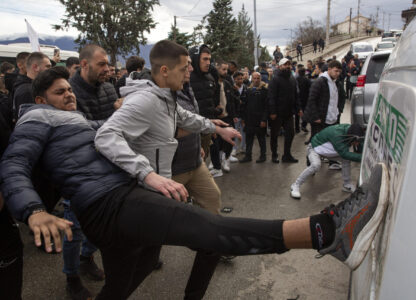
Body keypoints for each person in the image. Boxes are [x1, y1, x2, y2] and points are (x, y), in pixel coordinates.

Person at [1, 65, 390, 300]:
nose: (69, 95)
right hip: (110, 202)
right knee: (209, 227)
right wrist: (33, 210)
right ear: (40, 98)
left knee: (127, 281)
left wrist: (207, 127)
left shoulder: (82, 122)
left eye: (70, 89)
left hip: (121, 202)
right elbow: (15, 163)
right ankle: (328, 231)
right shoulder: (35, 120)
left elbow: (144, 130)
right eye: (60, 92)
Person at [171, 57, 223, 299]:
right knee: (162, 219)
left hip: (195, 162)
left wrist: (197, 146)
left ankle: (211, 244)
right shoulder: (164, 94)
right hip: (174, 169)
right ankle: (145, 254)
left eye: (192, 64)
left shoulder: (187, 87)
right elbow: (171, 129)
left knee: (212, 199)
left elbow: (192, 120)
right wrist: (211, 127)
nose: (190, 68)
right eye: (186, 65)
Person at [290, 124, 364, 199]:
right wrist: (363, 157)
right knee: (316, 165)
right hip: (315, 149)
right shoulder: (337, 134)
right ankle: (295, 185)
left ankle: (347, 185)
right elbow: (344, 154)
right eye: (356, 141)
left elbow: (360, 142)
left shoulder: (352, 131)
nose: (357, 144)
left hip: (329, 151)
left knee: (346, 160)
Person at [189, 44, 222, 174]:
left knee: (203, 161)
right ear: (195, 59)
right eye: (205, 59)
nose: (208, 63)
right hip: (192, 131)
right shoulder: (187, 79)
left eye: (209, 59)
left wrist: (212, 121)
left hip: (207, 129)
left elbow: (210, 101)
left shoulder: (209, 77)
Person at [70, 44, 120, 122]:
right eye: (101, 64)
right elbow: (79, 127)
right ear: (84, 64)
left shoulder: (109, 89)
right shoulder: (69, 92)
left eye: (107, 64)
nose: (107, 69)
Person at [268, 58, 302, 163]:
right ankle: (274, 155)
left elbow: (296, 95)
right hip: (277, 113)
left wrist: (298, 108)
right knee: (274, 135)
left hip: (288, 113)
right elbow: (271, 96)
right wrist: (272, 112)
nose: (287, 66)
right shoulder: (275, 79)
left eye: (289, 64)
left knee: (290, 134)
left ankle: (287, 155)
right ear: (280, 66)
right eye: (285, 64)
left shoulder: (292, 78)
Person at [210, 60, 239, 173]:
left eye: (227, 69)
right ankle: (214, 162)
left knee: (229, 140)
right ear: (217, 69)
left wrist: (234, 115)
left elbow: (231, 101)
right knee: (215, 143)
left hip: (227, 117)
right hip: (216, 118)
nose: (225, 71)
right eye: (223, 69)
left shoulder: (227, 84)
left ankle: (226, 160)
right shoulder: (212, 84)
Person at [13, 52, 52, 120]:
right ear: (35, 67)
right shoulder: (27, 91)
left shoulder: (32, 87)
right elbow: (31, 122)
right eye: (48, 66)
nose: (50, 70)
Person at [239, 72, 268, 163]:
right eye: (254, 78)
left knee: (261, 139)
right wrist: (243, 119)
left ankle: (263, 156)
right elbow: (244, 105)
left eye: (258, 78)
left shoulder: (264, 91)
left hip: (260, 120)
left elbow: (267, 107)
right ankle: (248, 156)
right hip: (249, 120)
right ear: (252, 79)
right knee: (249, 139)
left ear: (260, 79)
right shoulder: (248, 90)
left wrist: (264, 119)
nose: (256, 80)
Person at [232, 71, 247, 155]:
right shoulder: (232, 89)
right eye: (238, 79)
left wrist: (245, 117)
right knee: (234, 132)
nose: (240, 80)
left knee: (243, 131)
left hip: (243, 114)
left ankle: (243, 147)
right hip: (235, 115)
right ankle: (234, 148)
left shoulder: (245, 88)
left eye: (241, 79)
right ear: (234, 79)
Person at [296, 67, 311, 133]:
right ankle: (303, 125)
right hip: (305, 98)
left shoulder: (295, 79)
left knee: (297, 113)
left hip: (297, 98)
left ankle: (297, 128)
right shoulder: (307, 80)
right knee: (305, 113)